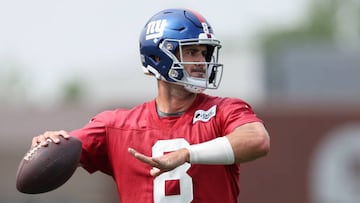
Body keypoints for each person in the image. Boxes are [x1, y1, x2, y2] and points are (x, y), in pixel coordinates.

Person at [31, 8, 270, 203]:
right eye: (191, 51)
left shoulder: (224, 110)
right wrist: (51, 143)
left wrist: (187, 154)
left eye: (204, 53)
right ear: (158, 57)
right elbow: (63, 152)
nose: (201, 62)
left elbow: (257, 140)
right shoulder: (115, 126)